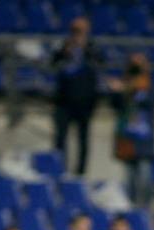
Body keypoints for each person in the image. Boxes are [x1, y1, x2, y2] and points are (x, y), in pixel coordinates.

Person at [50, 17, 102, 176]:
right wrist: (65, 51)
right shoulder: (63, 45)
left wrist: (85, 48)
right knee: (60, 139)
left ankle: (80, 173)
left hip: (84, 101)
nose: (77, 34)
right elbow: (52, 63)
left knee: (83, 139)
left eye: (80, 30)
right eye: (75, 30)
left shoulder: (92, 47)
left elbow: (101, 62)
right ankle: (60, 171)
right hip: (64, 101)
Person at [109, 55, 154, 207]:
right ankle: (132, 209)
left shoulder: (148, 86)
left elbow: (148, 102)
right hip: (128, 138)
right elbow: (116, 106)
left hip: (144, 139)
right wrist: (118, 91)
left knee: (145, 177)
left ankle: (144, 208)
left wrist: (133, 86)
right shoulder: (125, 86)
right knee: (130, 179)